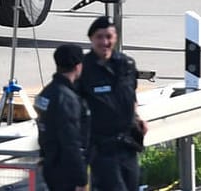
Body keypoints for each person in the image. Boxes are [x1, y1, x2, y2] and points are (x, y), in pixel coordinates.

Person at [78, 15, 147, 191]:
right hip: (101, 147)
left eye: (109, 37)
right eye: (100, 37)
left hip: (127, 143)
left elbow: (131, 98)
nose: (105, 42)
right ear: (91, 39)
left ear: (115, 38)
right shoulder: (84, 69)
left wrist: (138, 119)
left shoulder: (126, 64)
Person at [36, 43, 90, 191]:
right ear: (78, 66)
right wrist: (81, 179)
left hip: (49, 163)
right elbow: (71, 142)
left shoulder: (46, 93)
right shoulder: (67, 98)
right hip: (66, 170)